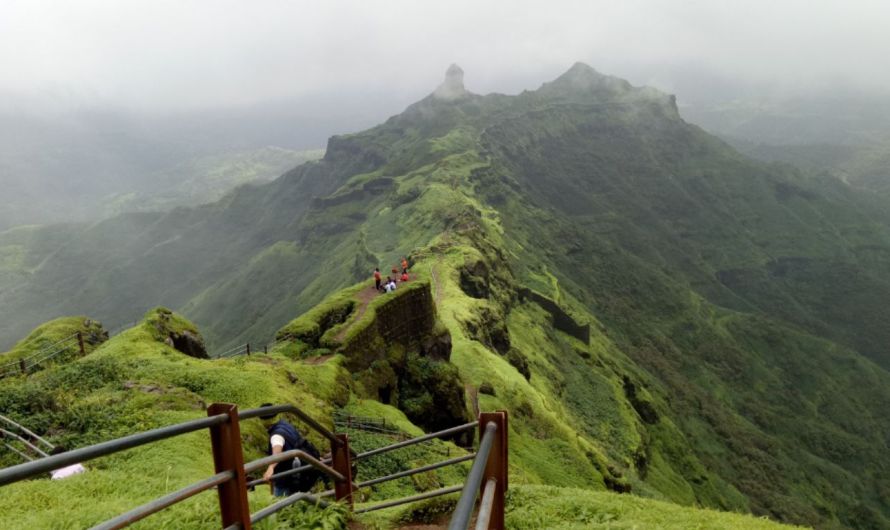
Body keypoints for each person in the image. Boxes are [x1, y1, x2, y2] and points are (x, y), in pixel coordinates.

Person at [259, 405, 321, 496]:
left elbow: (277, 451)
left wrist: (271, 467)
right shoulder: (285, 425)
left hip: (286, 477)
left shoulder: (276, 435)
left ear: (263, 420)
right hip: (299, 471)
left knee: (280, 504)